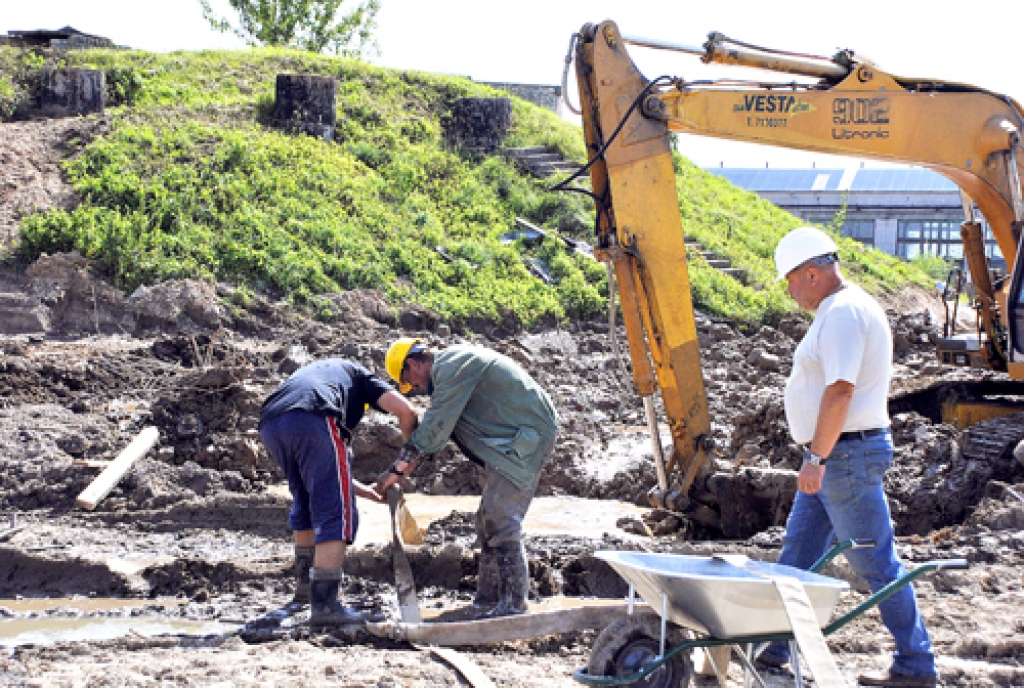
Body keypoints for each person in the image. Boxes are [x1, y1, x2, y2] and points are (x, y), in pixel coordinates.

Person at [757, 227, 937, 687]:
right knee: (798, 554)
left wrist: (816, 458)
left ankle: (916, 665)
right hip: (839, 454)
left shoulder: (842, 314)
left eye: (791, 279)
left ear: (812, 273)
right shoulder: (843, 309)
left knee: (875, 561)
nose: (789, 289)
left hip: (843, 455)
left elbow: (840, 390)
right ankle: (775, 647)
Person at [375, 338, 559, 618]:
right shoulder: (451, 369)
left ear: (412, 364)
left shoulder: (451, 368)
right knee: (487, 520)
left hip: (524, 438)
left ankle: (514, 605)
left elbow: (436, 426)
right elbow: (437, 429)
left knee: (501, 517)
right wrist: (408, 462)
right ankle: (487, 599)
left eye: (408, 381)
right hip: (510, 440)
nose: (414, 388)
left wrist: (397, 468)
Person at [259, 358, 417, 626]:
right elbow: (407, 411)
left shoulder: (322, 374)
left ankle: (305, 594)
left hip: (272, 422)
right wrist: (406, 464)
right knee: (337, 513)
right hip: (314, 415)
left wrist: (363, 491)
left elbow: (325, 477)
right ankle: (325, 606)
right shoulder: (360, 376)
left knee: (306, 501)